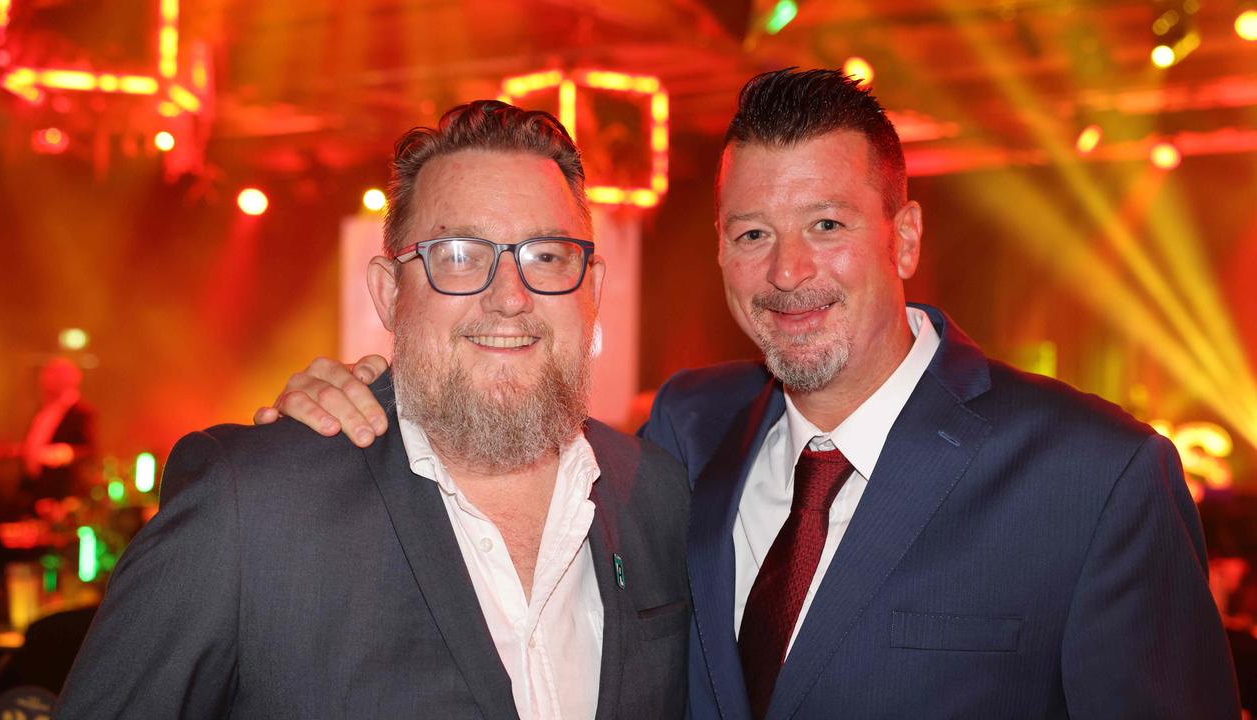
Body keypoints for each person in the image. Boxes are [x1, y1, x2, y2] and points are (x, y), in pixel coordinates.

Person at [261, 69, 1238, 718]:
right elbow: (498, 434)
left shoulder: (1092, 477)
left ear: (900, 238)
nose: (785, 273)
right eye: (750, 234)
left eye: (824, 224)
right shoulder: (687, 428)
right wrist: (369, 400)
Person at [58, 100, 690, 719]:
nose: (510, 298)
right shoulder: (250, 508)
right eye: (459, 257)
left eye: (545, 256)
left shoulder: (657, 493)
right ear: (389, 295)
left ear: (593, 290)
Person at [21, 357, 95, 500]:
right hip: (35, 489)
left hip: (62, 491)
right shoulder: (43, 409)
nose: (44, 380)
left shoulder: (81, 413)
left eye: (52, 375)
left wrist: (64, 453)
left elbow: (89, 450)